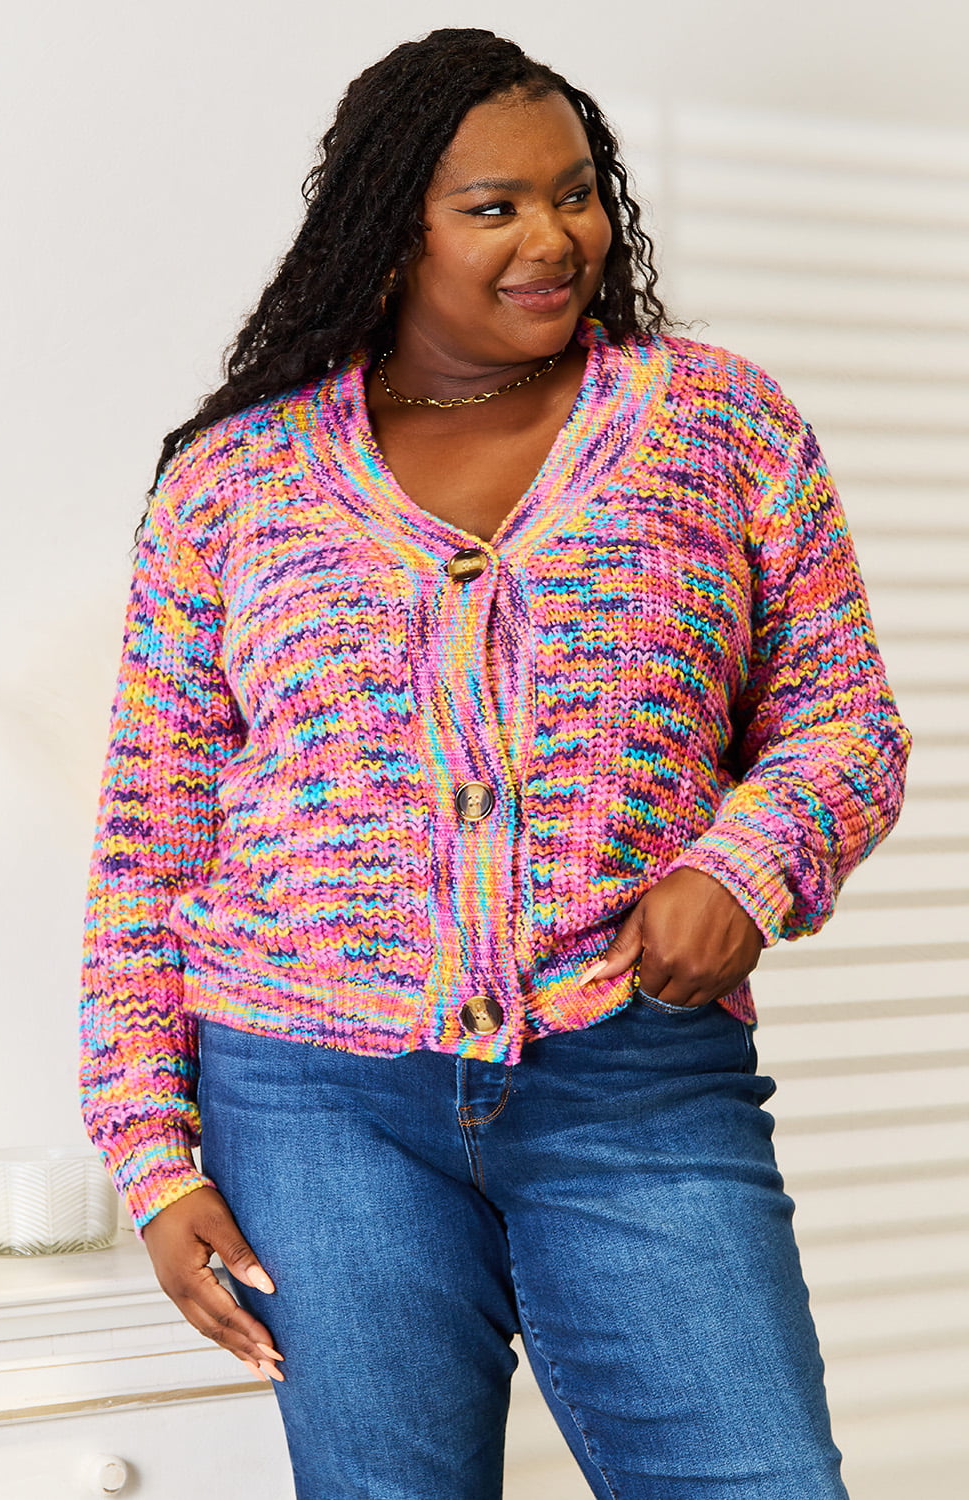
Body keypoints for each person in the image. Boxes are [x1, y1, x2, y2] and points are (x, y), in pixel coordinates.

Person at [79, 27, 911, 1500]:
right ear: (392, 228)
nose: (554, 237)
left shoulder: (711, 424)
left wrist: (746, 863)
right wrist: (154, 1153)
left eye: (576, 193)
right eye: (495, 207)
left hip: (633, 1083)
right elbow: (155, 838)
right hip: (311, 1102)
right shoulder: (234, 483)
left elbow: (846, 722)